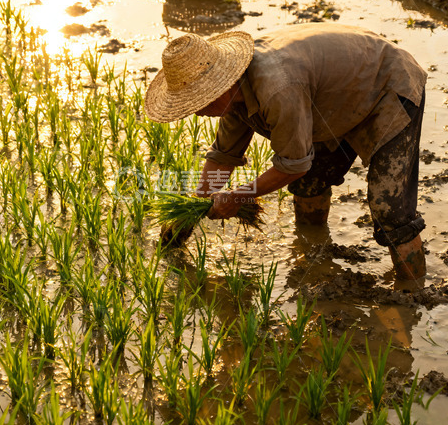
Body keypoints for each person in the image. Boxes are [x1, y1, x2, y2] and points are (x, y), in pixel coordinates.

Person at [144, 23, 427, 281]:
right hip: (332, 102)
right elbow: (223, 156)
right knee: (309, 183)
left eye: (200, 103)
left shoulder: (278, 88)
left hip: (388, 87)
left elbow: (293, 164)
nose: (198, 113)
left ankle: (412, 294)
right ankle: (315, 256)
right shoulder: (235, 96)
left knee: (390, 208)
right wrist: (190, 213)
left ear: (220, 88)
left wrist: (237, 196)